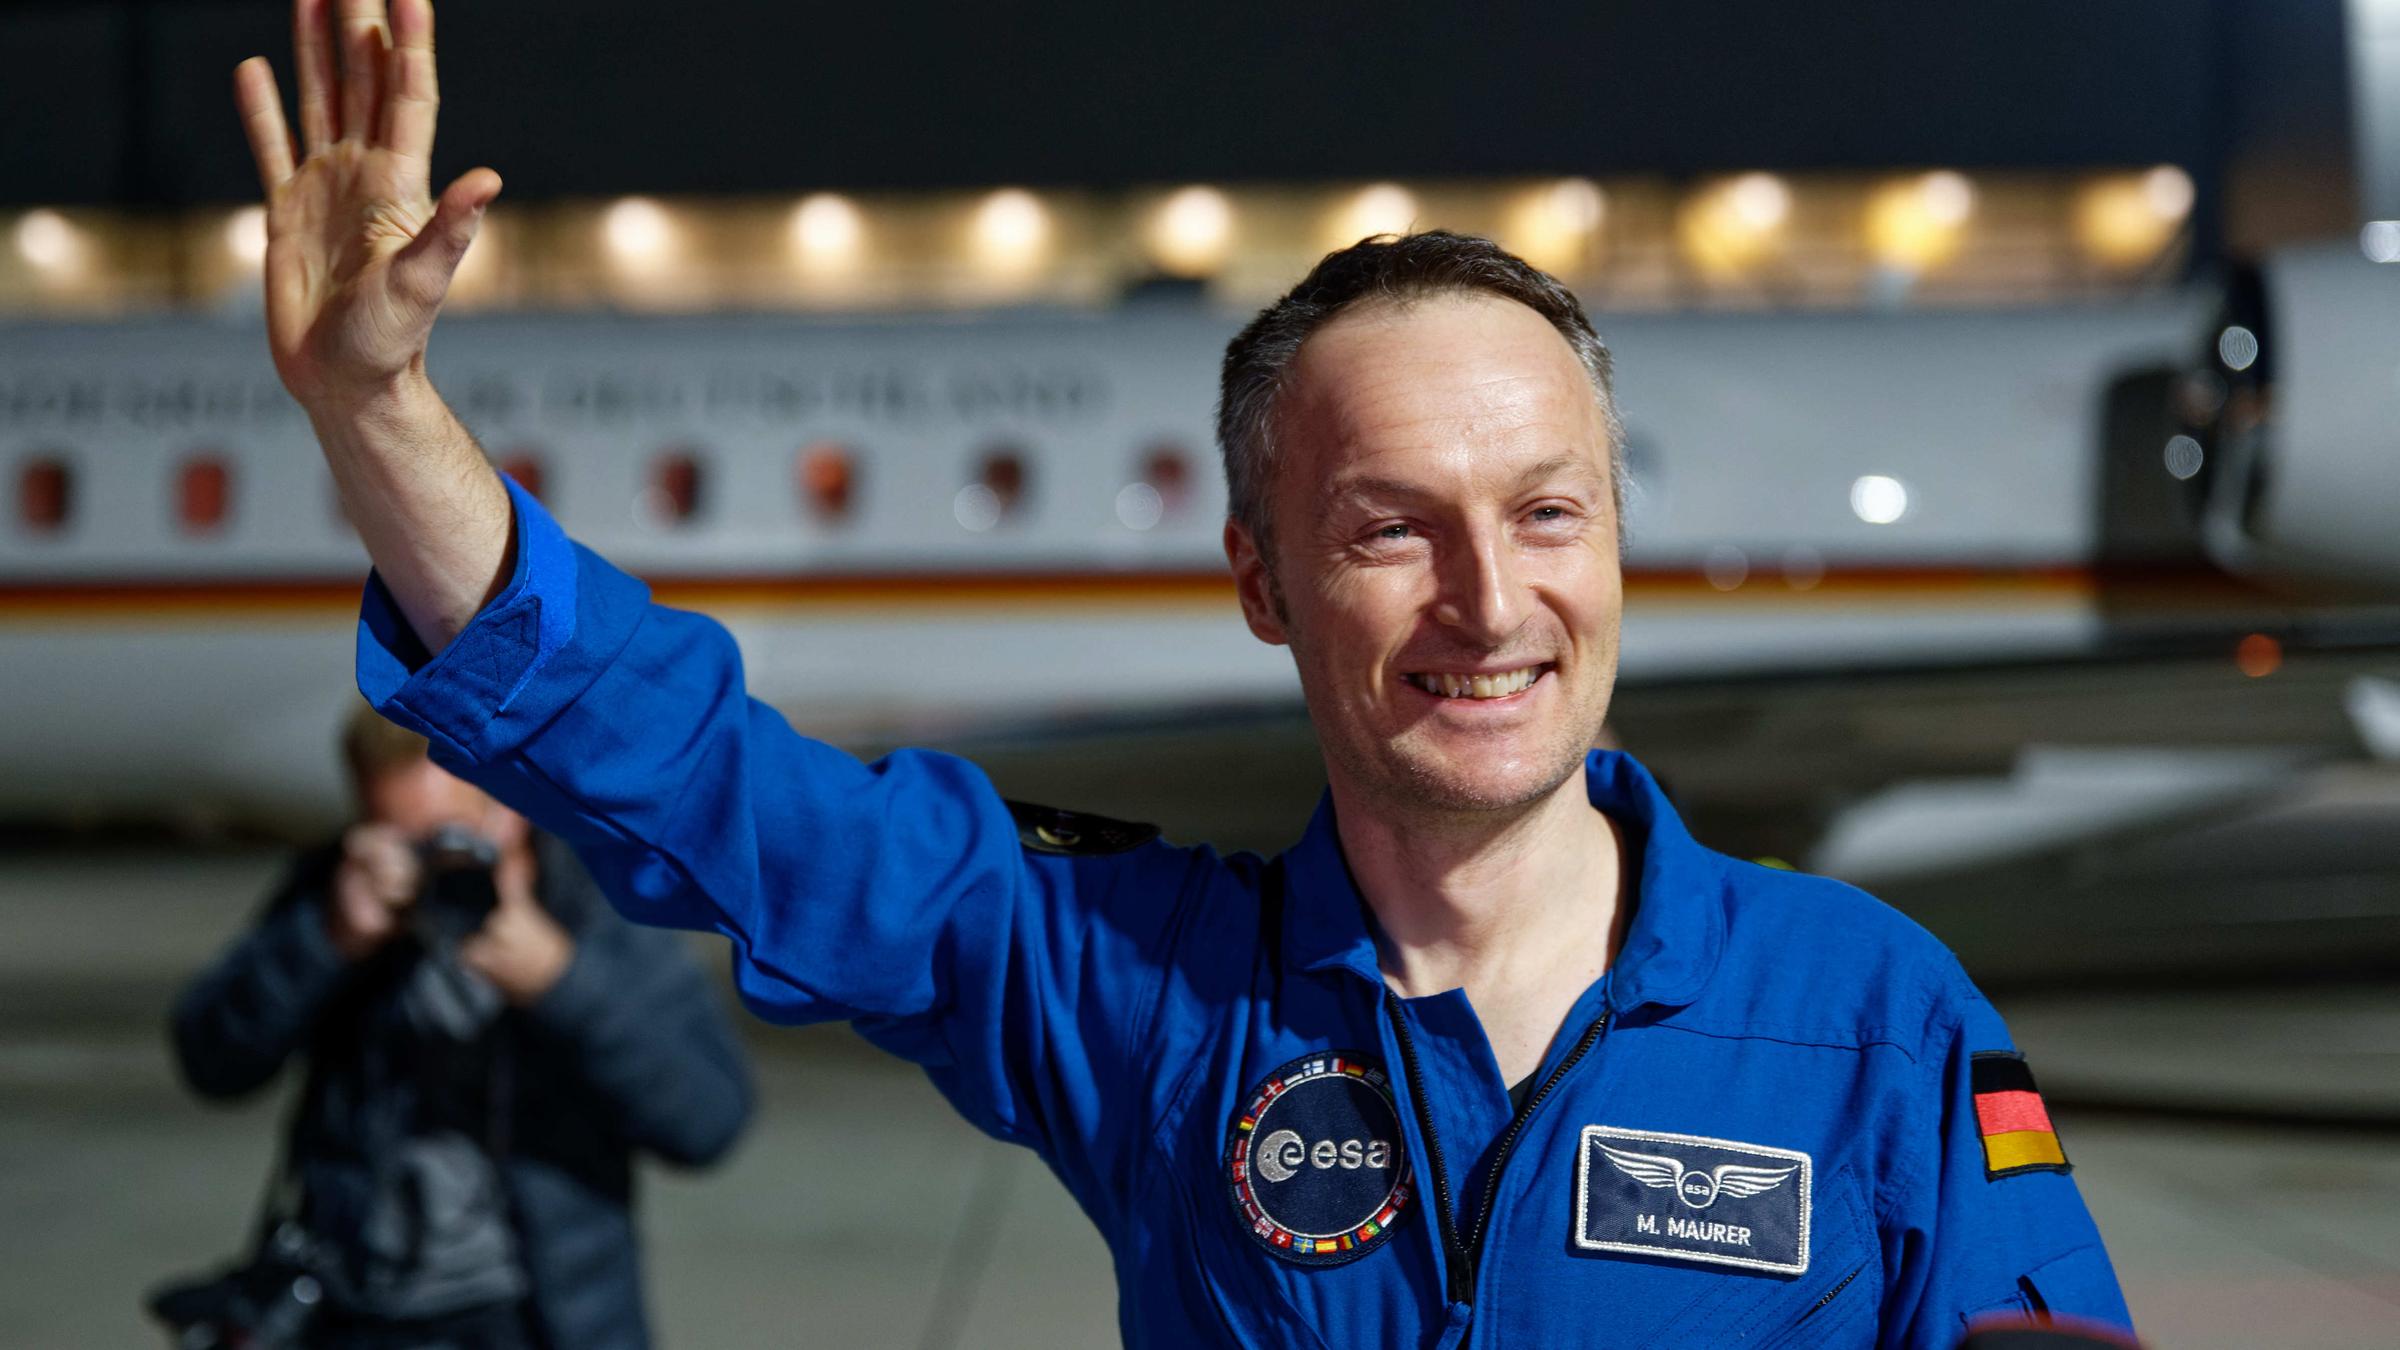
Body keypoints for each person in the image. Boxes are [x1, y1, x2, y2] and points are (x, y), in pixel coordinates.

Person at [226, 2, 2136, 1344]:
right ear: (1265, 584)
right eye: (1393, 530)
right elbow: (706, 782)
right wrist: (380, 417)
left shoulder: (1880, 1020)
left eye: (1549, 514)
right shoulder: (1141, 994)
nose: (1492, 602)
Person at [169, 704, 753, 1350]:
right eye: (397, 839)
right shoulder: (342, 894)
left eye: (446, 840)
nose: (425, 868)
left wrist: (560, 980)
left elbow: (708, 1119)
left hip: (536, 1316)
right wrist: (327, 938)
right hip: (357, 1312)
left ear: (510, 808)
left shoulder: (589, 901)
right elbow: (210, 1061)